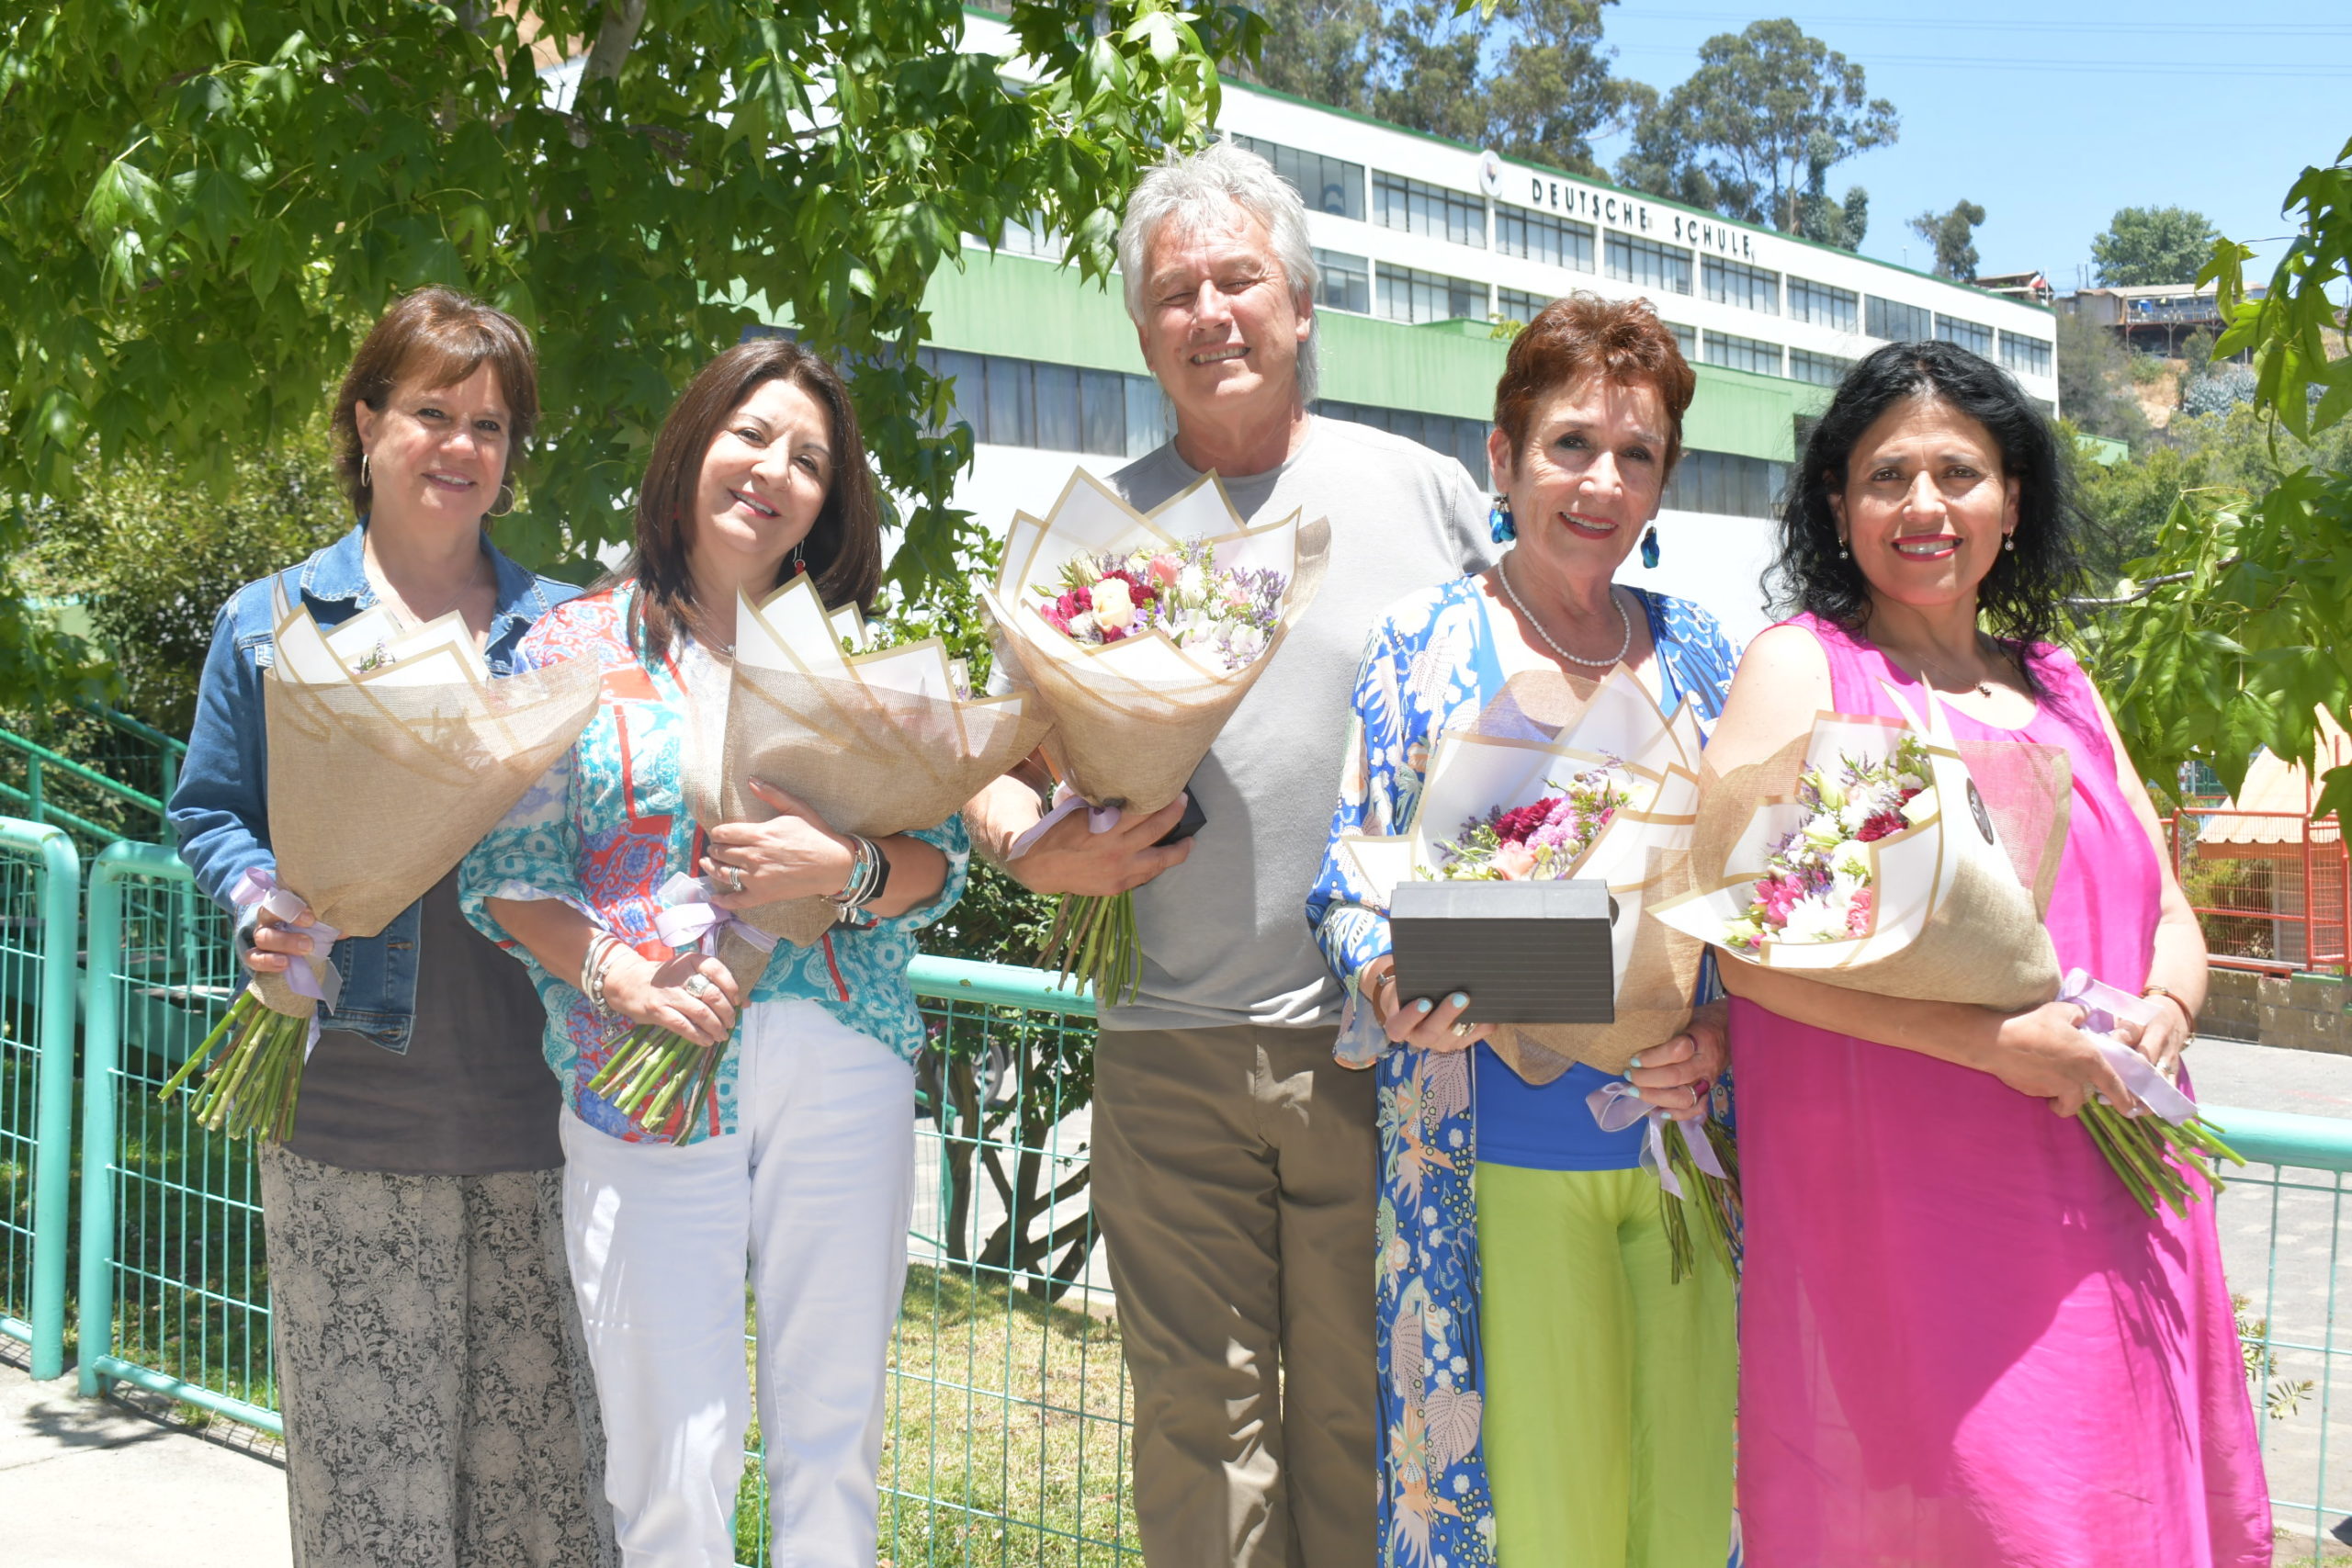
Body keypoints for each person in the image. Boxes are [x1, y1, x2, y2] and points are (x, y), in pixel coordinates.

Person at [964, 141, 1495, 1566]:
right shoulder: (1097, 528)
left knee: (1367, 1415)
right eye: (1174, 292)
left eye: (1238, 279)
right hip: (1169, 1043)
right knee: (1200, 1430)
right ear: (1143, 335)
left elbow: (1519, 735)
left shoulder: (1420, 493)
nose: (1209, 313)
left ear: (1302, 303)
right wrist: (1031, 852)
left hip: (1382, 1041)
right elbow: (990, 764)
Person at [1708, 340, 2270, 1564]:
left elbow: (2171, 913)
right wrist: (1994, 1043)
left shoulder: (2063, 683)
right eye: (1886, 476)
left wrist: (2166, 1014)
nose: (1924, 505)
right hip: (1918, 1222)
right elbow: (1745, 955)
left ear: (2012, 501)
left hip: (2117, 1195)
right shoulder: (1804, 670)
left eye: (1958, 473)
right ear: (1837, 505)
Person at [458, 335, 967, 1568]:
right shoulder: (570, 645)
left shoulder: (858, 658)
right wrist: (621, 977)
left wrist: (844, 867)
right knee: (672, 1458)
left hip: (843, 1054)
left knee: (833, 1439)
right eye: (751, 435)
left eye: (809, 460)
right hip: (642, 1066)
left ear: (828, 502)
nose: (774, 471)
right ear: (693, 443)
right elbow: (508, 877)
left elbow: (938, 863)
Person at [170, 287, 615, 1566]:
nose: (461, 445)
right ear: (366, 423)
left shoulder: (570, 635)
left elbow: (615, 842)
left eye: (491, 423)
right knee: (374, 1514)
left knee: (544, 1512)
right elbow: (208, 811)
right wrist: (265, 903)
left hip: (548, 1119)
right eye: (431, 411)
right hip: (347, 1122)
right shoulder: (271, 623)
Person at [1307, 294, 1738, 1568]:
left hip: (1685, 1157)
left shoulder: (1703, 654)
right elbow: (1344, 879)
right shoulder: (1423, 644)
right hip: (1487, 1153)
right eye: (1570, 445)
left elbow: (1757, 898)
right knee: (1541, 1527)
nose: (1603, 481)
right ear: (1502, 458)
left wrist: (1721, 1031)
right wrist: (1384, 972)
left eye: (1638, 453)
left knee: (1686, 1512)